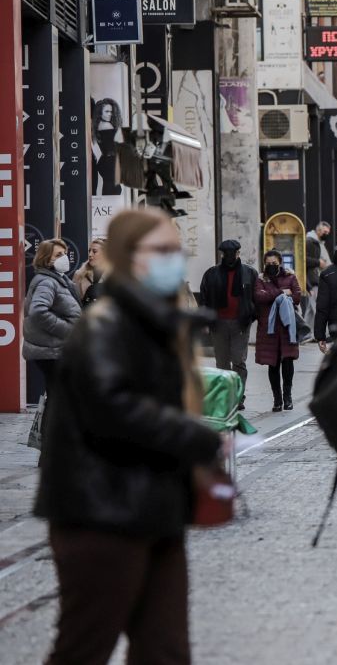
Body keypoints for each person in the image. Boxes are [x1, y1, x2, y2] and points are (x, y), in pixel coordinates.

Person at [35, 208, 222, 665]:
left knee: (165, 650)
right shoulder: (104, 324)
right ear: (127, 257)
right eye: (159, 251)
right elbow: (113, 408)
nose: (171, 260)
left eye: (174, 250)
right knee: (84, 647)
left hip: (156, 507)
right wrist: (194, 436)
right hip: (100, 511)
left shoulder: (155, 323)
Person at [199, 240, 259, 401]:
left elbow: (256, 297)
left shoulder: (249, 273)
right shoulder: (211, 274)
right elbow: (204, 298)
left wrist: (250, 316)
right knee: (222, 363)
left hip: (241, 324)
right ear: (222, 255)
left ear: (239, 253)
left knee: (239, 361)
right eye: (228, 253)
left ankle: (238, 396)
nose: (233, 256)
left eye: (236, 253)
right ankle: (227, 397)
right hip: (218, 324)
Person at [23, 238, 82, 399]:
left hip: (56, 350)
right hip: (51, 351)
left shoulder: (59, 280)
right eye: (58, 254)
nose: (63, 258)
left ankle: (54, 424)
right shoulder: (47, 282)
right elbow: (38, 312)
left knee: (59, 398)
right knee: (60, 398)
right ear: (46, 258)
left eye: (64, 253)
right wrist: (68, 330)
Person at [254, 250, 303, 412]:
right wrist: (282, 292)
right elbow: (259, 297)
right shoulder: (260, 279)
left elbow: (296, 296)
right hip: (269, 328)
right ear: (264, 264)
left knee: (288, 362)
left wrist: (272, 294)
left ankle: (288, 397)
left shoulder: (290, 276)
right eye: (268, 263)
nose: (271, 266)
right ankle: (277, 400)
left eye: (274, 263)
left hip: (287, 327)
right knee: (272, 364)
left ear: (280, 262)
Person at [72, 237, 108, 307]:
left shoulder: (114, 276)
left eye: (94, 251)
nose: (90, 254)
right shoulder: (79, 275)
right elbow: (73, 302)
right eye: (89, 251)